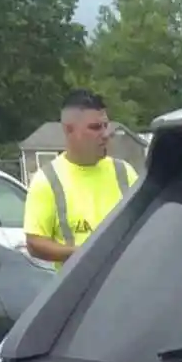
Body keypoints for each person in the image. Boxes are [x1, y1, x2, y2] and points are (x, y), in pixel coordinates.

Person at [24, 89, 138, 267]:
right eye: (95, 127)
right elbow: (34, 243)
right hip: (81, 289)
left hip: (126, 282)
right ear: (69, 130)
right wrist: (82, 253)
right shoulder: (47, 180)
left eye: (105, 125)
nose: (105, 134)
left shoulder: (124, 172)